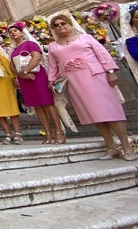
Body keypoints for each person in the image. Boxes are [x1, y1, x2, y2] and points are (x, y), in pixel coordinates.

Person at [47, 11, 135, 161]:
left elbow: (102, 54)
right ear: (53, 29)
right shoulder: (53, 46)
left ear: (70, 25)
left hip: (96, 77)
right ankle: (111, 147)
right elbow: (53, 65)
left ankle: (126, 146)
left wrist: (110, 71)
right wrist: (51, 80)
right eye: (56, 25)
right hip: (75, 82)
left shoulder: (85, 38)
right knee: (94, 114)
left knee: (111, 112)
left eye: (63, 23)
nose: (60, 27)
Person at [8, 22, 63, 144]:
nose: (13, 33)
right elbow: (11, 65)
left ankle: (59, 131)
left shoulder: (30, 44)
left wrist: (26, 70)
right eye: (10, 32)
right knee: (37, 106)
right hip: (24, 79)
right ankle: (48, 132)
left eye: (15, 31)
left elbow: (37, 57)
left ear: (21, 32)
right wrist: (21, 74)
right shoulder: (12, 50)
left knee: (47, 103)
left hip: (37, 76)